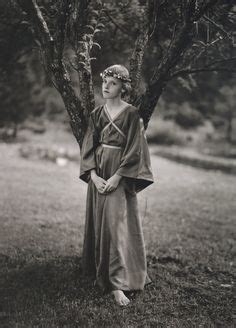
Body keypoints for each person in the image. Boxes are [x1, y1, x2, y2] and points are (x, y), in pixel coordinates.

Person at [79, 64, 154, 306]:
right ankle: (101, 272)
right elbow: (88, 146)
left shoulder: (132, 114)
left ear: (124, 87)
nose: (106, 86)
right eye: (105, 81)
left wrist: (117, 177)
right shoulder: (96, 114)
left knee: (116, 226)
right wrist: (93, 176)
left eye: (113, 83)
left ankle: (116, 283)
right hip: (99, 175)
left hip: (119, 175)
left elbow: (135, 150)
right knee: (102, 225)